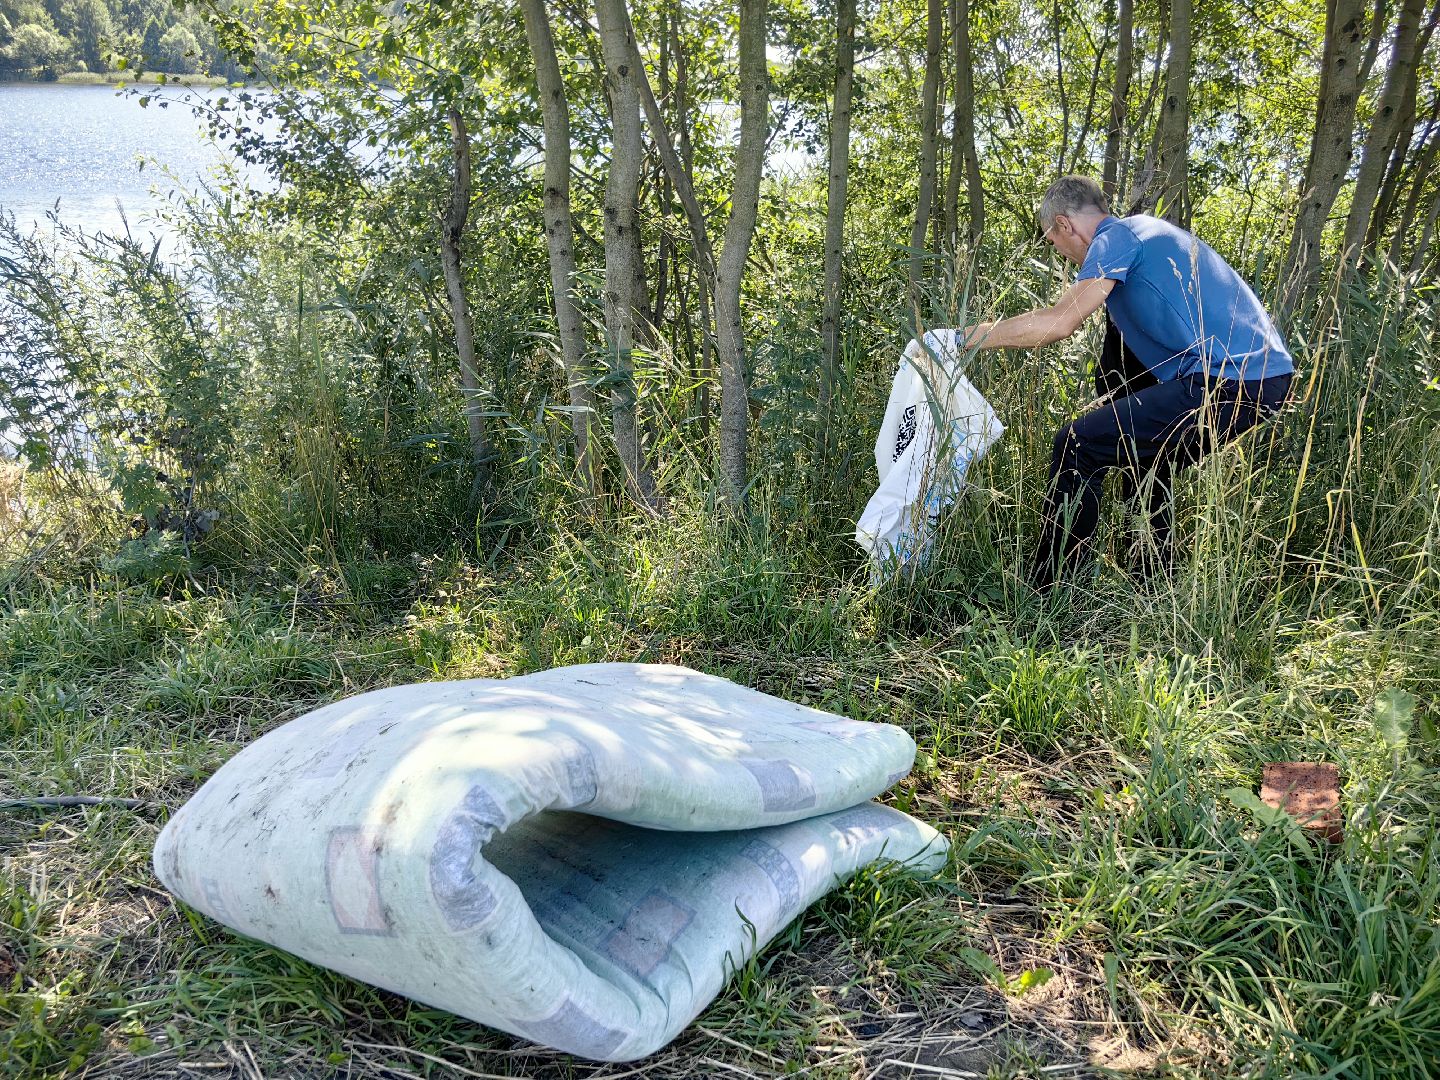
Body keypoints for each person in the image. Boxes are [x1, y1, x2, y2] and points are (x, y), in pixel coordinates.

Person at [954, 176, 1294, 589]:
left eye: (1053, 243)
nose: (1063, 257)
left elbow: (1060, 322)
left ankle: (1047, 590)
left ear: (1065, 225)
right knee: (1142, 455)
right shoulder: (1148, 237)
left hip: (1229, 380)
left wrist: (959, 339)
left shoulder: (1116, 236)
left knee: (1077, 445)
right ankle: (1153, 582)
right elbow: (1121, 367)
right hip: (1260, 378)